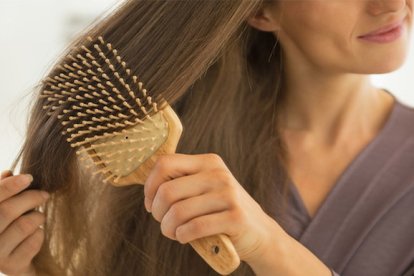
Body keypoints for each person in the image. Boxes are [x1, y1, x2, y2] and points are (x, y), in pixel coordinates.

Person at [0, 0, 413, 275]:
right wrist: (34, 269)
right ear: (261, 11)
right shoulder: (163, 165)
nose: (392, 4)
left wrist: (268, 246)